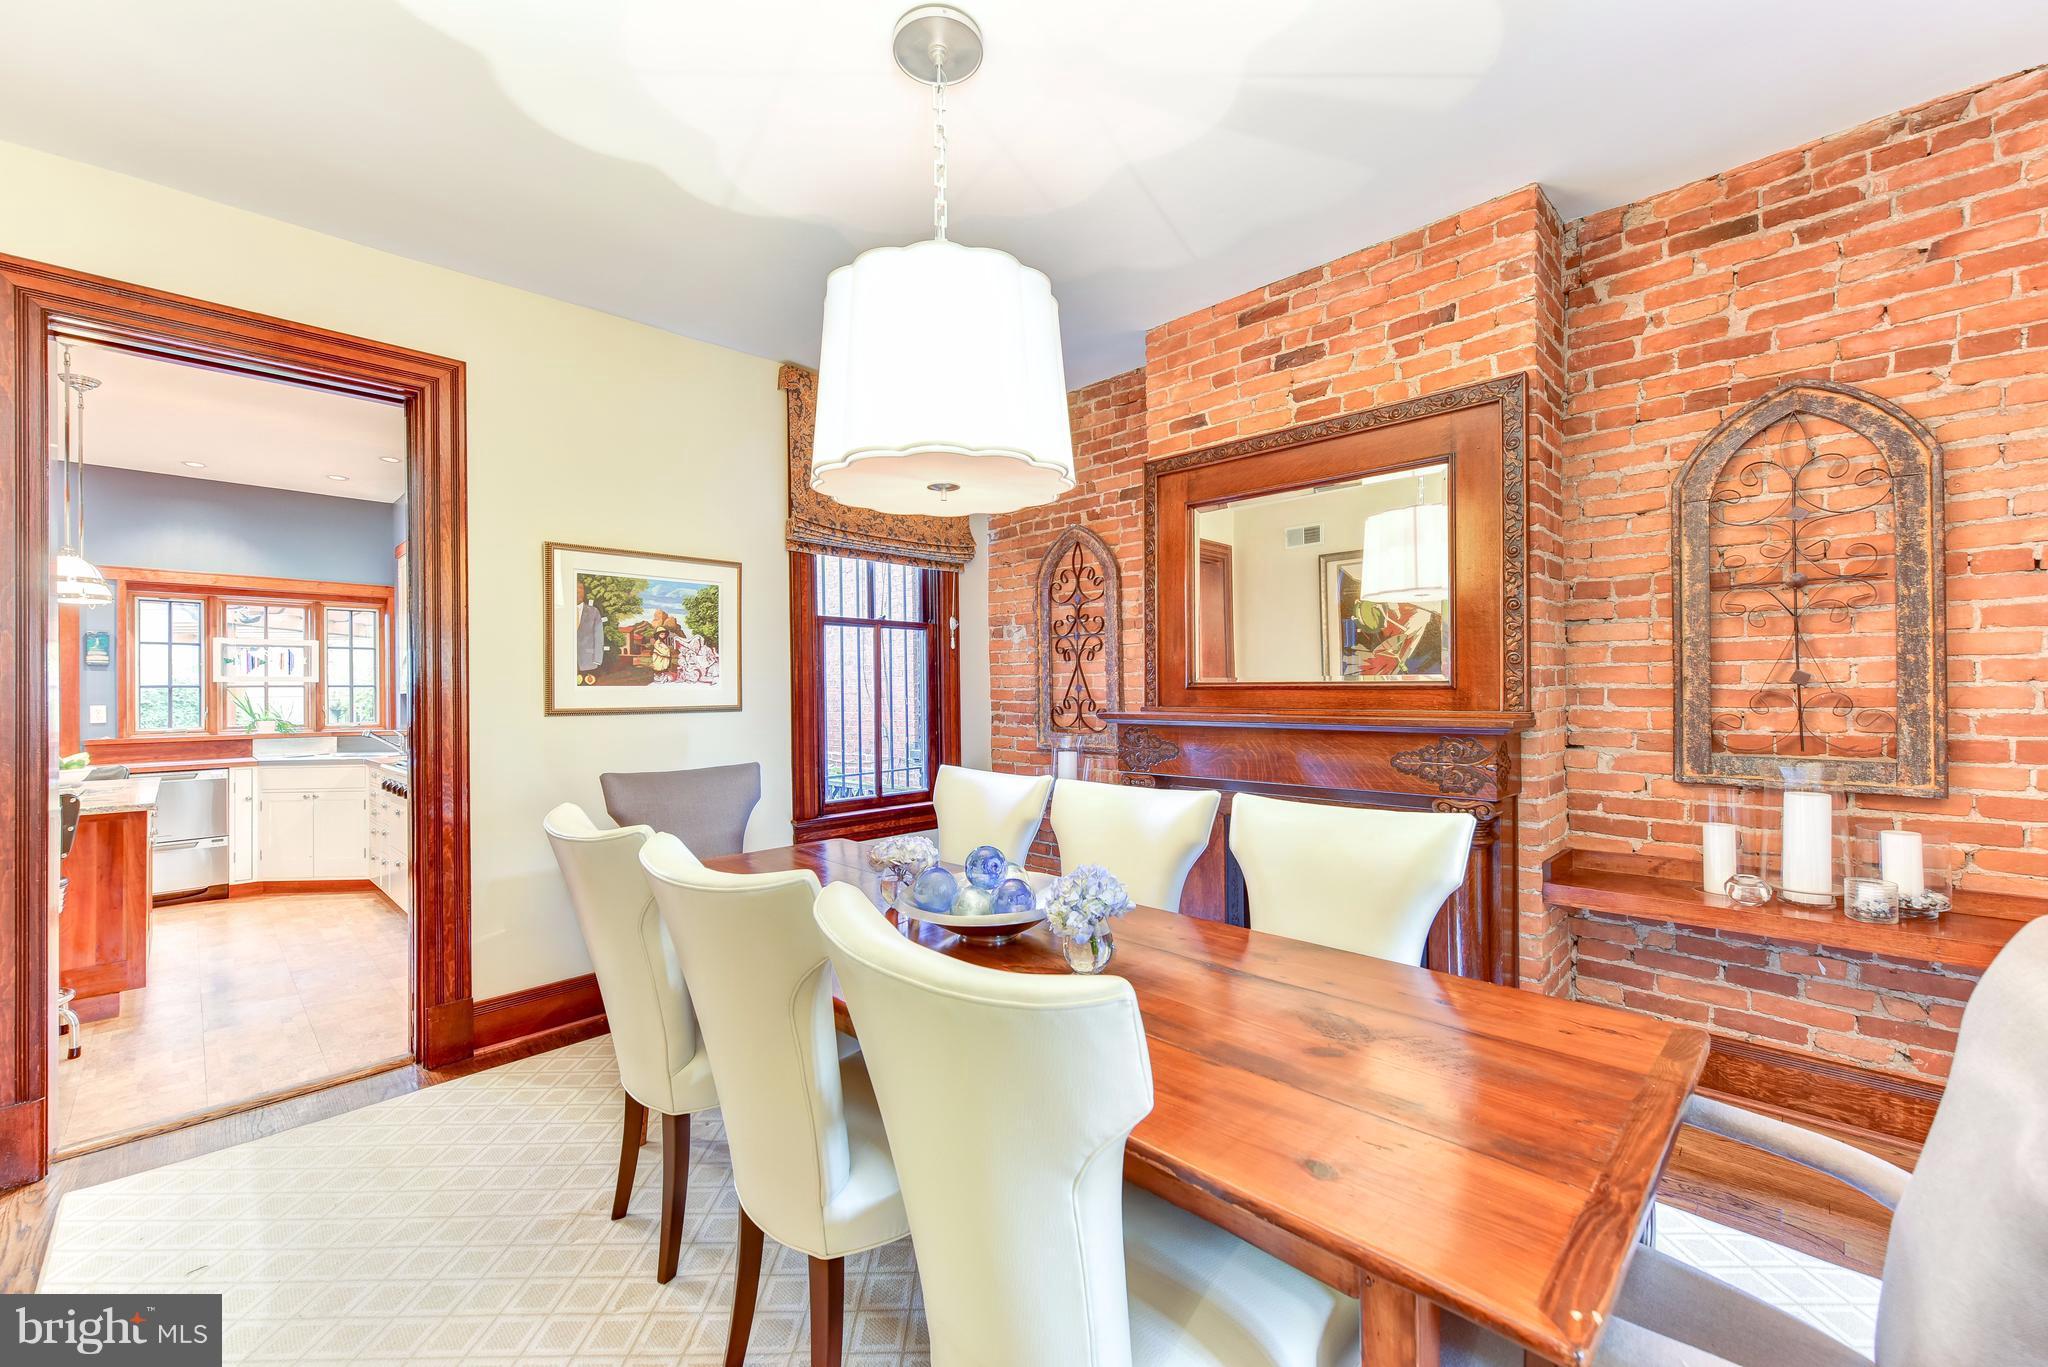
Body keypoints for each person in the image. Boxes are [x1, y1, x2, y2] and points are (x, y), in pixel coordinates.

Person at [575, 580, 604, 682]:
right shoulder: (562, 612)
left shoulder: (593, 612)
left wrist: (597, 659)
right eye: (575, 587)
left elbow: (599, 637)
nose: (577, 591)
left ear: (584, 592)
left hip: (588, 662)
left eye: (580, 588)